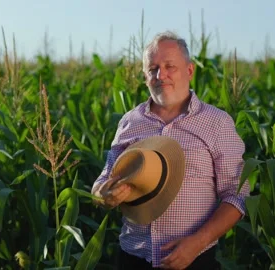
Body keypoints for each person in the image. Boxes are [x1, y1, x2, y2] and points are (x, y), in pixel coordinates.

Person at [91, 31, 250, 270]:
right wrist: (102, 195)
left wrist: (197, 243)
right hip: (133, 258)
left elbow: (236, 196)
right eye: (153, 68)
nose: (160, 75)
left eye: (169, 66)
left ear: (189, 70)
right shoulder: (129, 122)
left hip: (195, 260)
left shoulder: (217, 123)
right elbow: (104, 178)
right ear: (145, 76)